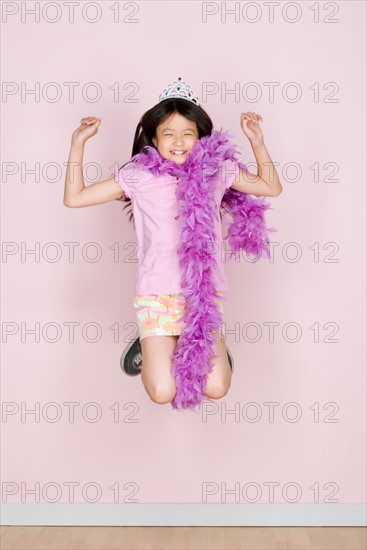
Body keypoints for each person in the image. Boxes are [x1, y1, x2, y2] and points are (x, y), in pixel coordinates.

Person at [64, 78, 282, 412]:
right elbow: (75, 198)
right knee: (163, 391)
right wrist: (77, 144)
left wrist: (258, 142)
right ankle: (147, 342)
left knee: (217, 387)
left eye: (188, 133)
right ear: (153, 137)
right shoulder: (138, 175)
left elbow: (271, 187)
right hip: (155, 295)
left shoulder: (217, 171)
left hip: (203, 297)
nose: (179, 142)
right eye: (169, 133)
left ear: (200, 137)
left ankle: (216, 347)